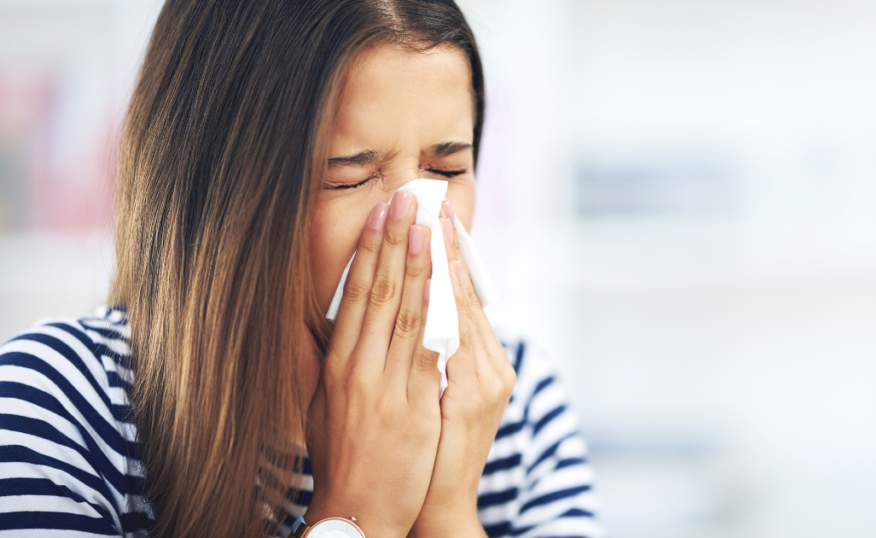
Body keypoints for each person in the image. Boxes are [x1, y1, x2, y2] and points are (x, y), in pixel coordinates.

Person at [0, 1, 603, 537]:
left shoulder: (511, 402)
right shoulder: (57, 408)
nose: (416, 222)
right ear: (220, 192)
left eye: (446, 169)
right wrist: (356, 516)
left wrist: (445, 516)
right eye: (349, 174)